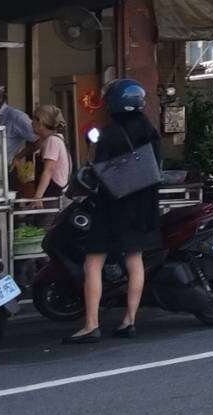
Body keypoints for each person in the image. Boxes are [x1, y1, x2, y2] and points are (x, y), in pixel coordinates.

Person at [66, 79, 161, 345]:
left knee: (93, 262)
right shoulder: (150, 131)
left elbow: (98, 171)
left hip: (112, 207)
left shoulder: (110, 134)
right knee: (134, 259)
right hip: (142, 207)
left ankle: (91, 325)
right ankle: (129, 320)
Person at [22, 104, 70, 204]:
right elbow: (34, 146)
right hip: (50, 194)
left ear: (41, 123)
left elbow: (48, 170)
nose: (31, 123)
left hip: (53, 196)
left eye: (34, 119)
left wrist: (37, 197)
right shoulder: (49, 139)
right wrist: (18, 157)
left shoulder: (52, 141)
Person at [0, 82, 37, 173]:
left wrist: (18, 157)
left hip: (4, 170)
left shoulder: (16, 116)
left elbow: (38, 139)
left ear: (2, 97)